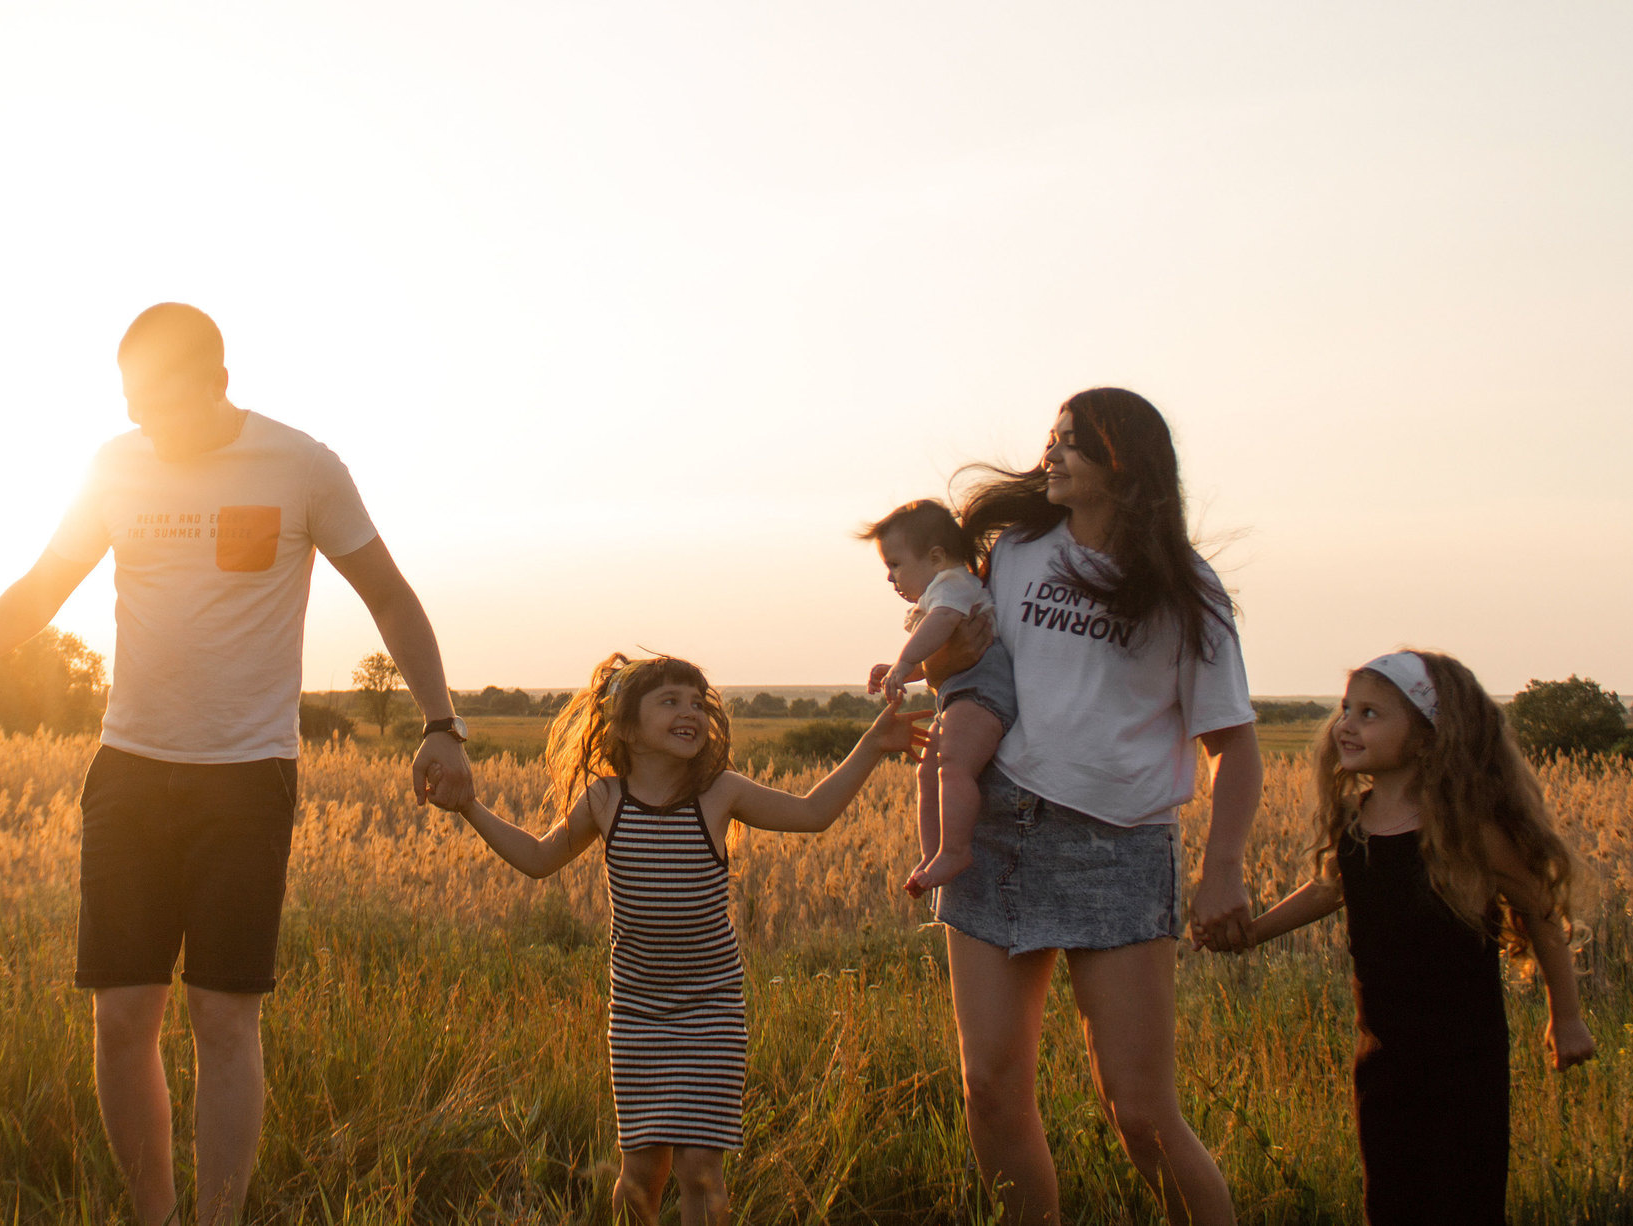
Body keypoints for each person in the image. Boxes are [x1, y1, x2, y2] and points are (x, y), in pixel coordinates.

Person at [0, 302, 473, 1226]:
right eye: (131, 401)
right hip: (129, 769)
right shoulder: (114, 465)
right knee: (122, 1018)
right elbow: (43, 587)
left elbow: (389, 595)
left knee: (223, 1018)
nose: (144, 420)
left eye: (160, 401)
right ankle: (156, 1217)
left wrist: (441, 723)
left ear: (218, 380)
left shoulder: (302, 465)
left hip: (247, 776)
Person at [928, 388, 1261, 1226]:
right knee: (989, 1088)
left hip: (1116, 849)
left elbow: (1234, 746)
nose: (1051, 454)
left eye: (1072, 442)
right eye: (1052, 437)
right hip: (997, 833)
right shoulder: (1015, 551)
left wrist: (1223, 871)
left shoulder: (1185, 589)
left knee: (1140, 1114)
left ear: (1125, 463)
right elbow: (971, 666)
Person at [444, 651, 924, 1226]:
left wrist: (873, 744)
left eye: (698, 702)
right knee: (641, 1173)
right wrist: (468, 805)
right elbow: (537, 858)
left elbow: (813, 812)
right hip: (638, 1013)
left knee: (700, 1169)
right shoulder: (605, 800)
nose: (689, 712)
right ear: (626, 727)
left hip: (711, 1008)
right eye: (669, 701)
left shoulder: (720, 792)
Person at [1213, 650, 1592, 1225]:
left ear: (1427, 736)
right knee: (1389, 1201)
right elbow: (1329, 889)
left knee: (1462, 1203)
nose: (1346, 724)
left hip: (1463, 1062)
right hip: (1382, 1055)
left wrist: (1566, 1017)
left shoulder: (1467, 831)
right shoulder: (1355, 820)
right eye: (1346, 709)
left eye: (1370, 714)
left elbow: (1539, 909)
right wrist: (1253, 933)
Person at [860, 498, 1007, 894]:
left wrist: (904, 662)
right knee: (927, 772)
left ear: (937, 557)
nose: (890, 577)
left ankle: (955, 850)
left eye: (895, 564)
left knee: (954, 766)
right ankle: (931, 854)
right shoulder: (943, 594)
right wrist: (901, 671)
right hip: (961, 694)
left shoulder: (953, 585)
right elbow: (940, 656)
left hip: (983, 691)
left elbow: (941, 626)